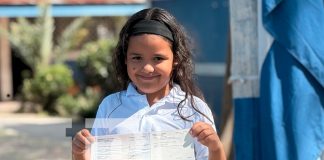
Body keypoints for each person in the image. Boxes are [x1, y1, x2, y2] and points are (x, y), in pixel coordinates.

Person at [72, 7, 226, 160]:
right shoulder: (110, 106)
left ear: (176, 59)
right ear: (125, 58)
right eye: (137, 58)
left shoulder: (194, 109)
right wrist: (80, 154)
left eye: (158, 58)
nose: (147, 68)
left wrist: (215, 147)